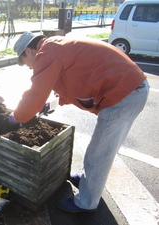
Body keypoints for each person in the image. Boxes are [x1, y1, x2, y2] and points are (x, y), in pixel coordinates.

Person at [9, 31, 149, 212]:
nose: (28, 67)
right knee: (99, 149)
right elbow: (73, 79)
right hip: (128, 88)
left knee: (99, 153)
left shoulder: (48, 52)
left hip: (124, 94)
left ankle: (86, 202)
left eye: (24, 62)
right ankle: (87, 180)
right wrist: (52, 102)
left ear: (29, 51)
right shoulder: (56, 45)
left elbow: (36, 92)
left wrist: (17, 116)